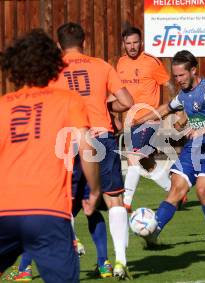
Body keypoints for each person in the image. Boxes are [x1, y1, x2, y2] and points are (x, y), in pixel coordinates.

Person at [0, 29, 100, 283]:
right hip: (48, 211)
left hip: (4, 212)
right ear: (54, 63)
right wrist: (95, 190)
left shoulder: (3, 105)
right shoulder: (68, 100)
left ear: (14, 66)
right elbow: (87, 146)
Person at [51, 22, 134, 279]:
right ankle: (119, 261)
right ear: (84, 42)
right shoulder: (101, 66)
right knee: (114, 198)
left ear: (58, 45)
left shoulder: (53, 71)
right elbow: (127, 101)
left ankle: (67, 258)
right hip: (100, 137)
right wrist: (104, 103)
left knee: (65, 202)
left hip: (68, 142)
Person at [136, 50, 205, 249]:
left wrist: (204, 130)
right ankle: (154, 232)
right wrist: (137, 121)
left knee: (203, 189)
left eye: (182, 75)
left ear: (193, 70)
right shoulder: (183, 95)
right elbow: (164, 109)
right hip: (194, 148)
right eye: (176, 76)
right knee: (176, 188)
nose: (178, 79)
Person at [116, 26, 175, 212]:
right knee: (146, 161)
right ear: (123, 44)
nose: (132, 46)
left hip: (150, 119)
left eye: (135, 43)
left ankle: (125, 202)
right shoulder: (121, 63)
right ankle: (175, 191)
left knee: (135, 155)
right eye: (128, 43)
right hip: (131, 120)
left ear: (141, 42)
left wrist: (176, 107)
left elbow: (169, 85)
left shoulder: (152, 62)